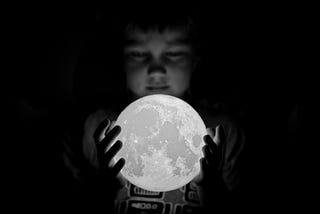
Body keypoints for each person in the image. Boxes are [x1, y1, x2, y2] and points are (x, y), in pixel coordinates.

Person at [62, 11, 245, 213]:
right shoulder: (95, 129)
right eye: (139, 54)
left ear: (195, 61)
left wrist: (212, 185)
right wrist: (105, 186)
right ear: (122, 61)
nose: (156, 70)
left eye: (174, 53)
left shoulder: (222, 133)